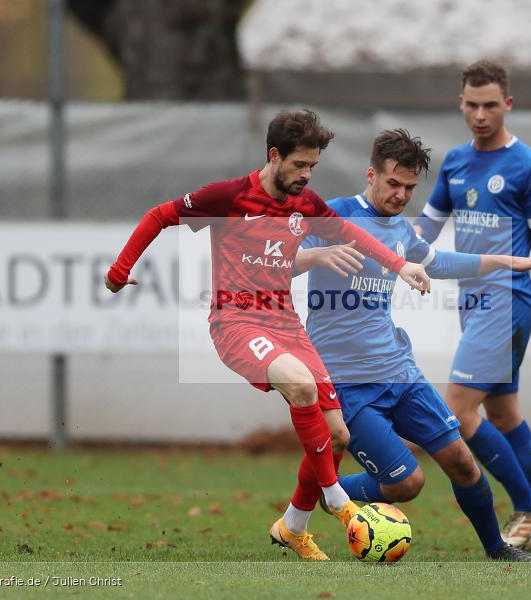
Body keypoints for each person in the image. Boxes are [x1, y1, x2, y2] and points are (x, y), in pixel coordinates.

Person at [104, 110, 432, 560]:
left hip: (286, 324)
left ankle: (293, 527)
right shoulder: (230, 197)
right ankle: (338, 501)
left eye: (313, 166)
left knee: (338, 436)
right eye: (299, 165)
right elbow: (159, 215)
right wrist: (119, 272)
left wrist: (402, 264)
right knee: (300, 385)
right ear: (274, 156)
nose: (306, 175)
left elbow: (353, 234)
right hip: (236, 321)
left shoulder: (306, 204)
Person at [295, 128, 531, 561]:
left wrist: (505, 260)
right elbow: (280, 261)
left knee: (462, 462)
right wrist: (314, 256)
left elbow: (439, 262)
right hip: (347, 385)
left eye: (410, 188)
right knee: (407, 484)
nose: (400, 195)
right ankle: (332, 494)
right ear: (371, 175)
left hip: (400, 372)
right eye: (393, 184)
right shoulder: (333, 215)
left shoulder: (399, 230)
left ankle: (497, 549)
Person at [413, 60, 531, 550]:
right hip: (473, 303)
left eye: (490, 105)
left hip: (509, 301)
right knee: (503, 414)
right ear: (461, 104)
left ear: (508, 105)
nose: (481, 114)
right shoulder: (457, 162)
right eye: (472, 105)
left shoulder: (529, 167)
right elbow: (425, 231)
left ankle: (528, 508)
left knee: (457, 411)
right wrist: (384, 250)